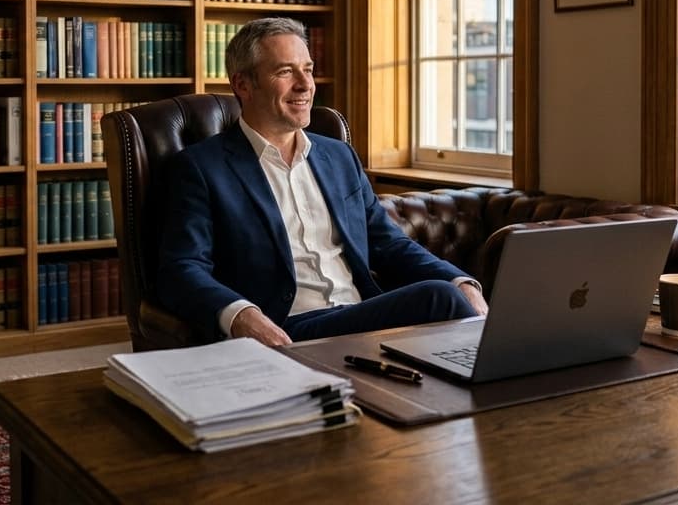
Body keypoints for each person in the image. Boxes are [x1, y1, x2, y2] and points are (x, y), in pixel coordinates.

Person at [157, 17, 488, 346]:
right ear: (243, 84)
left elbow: (388, 242)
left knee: (448, 295)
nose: (305, 84)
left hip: (358, 314)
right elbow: (183, 268)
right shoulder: (201, 167)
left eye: (308, 69)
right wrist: (243, 316)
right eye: (285, 72)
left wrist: (459, 281)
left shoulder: (338, 157)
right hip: (286, 329)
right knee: (437, 299)